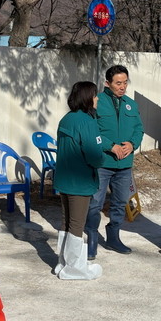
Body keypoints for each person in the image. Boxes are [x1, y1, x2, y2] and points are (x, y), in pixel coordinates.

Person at [84, 65, 144, 258]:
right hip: (102, 163)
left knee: (119, 203)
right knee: (95, 203)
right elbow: (91, 130)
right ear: (107, 83)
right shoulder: (97, 102)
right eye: (118, 83)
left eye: (125, 82)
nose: (122, 87)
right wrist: (110, 146)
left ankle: (113, 238)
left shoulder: (131, 104)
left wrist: (132, 144)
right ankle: (92, 239)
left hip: (124, 165)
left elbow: (139, 129)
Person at [53, 81, 106, 280]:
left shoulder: (66, 119)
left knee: (66, 222)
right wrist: (102, 159)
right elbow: (94, 155)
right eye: (95, 95)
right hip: (80, 181)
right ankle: (74, 269)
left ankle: (63, 262)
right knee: (76, 224)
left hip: (64, 179)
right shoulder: (87, 122)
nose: (97, 99)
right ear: (87, 98)